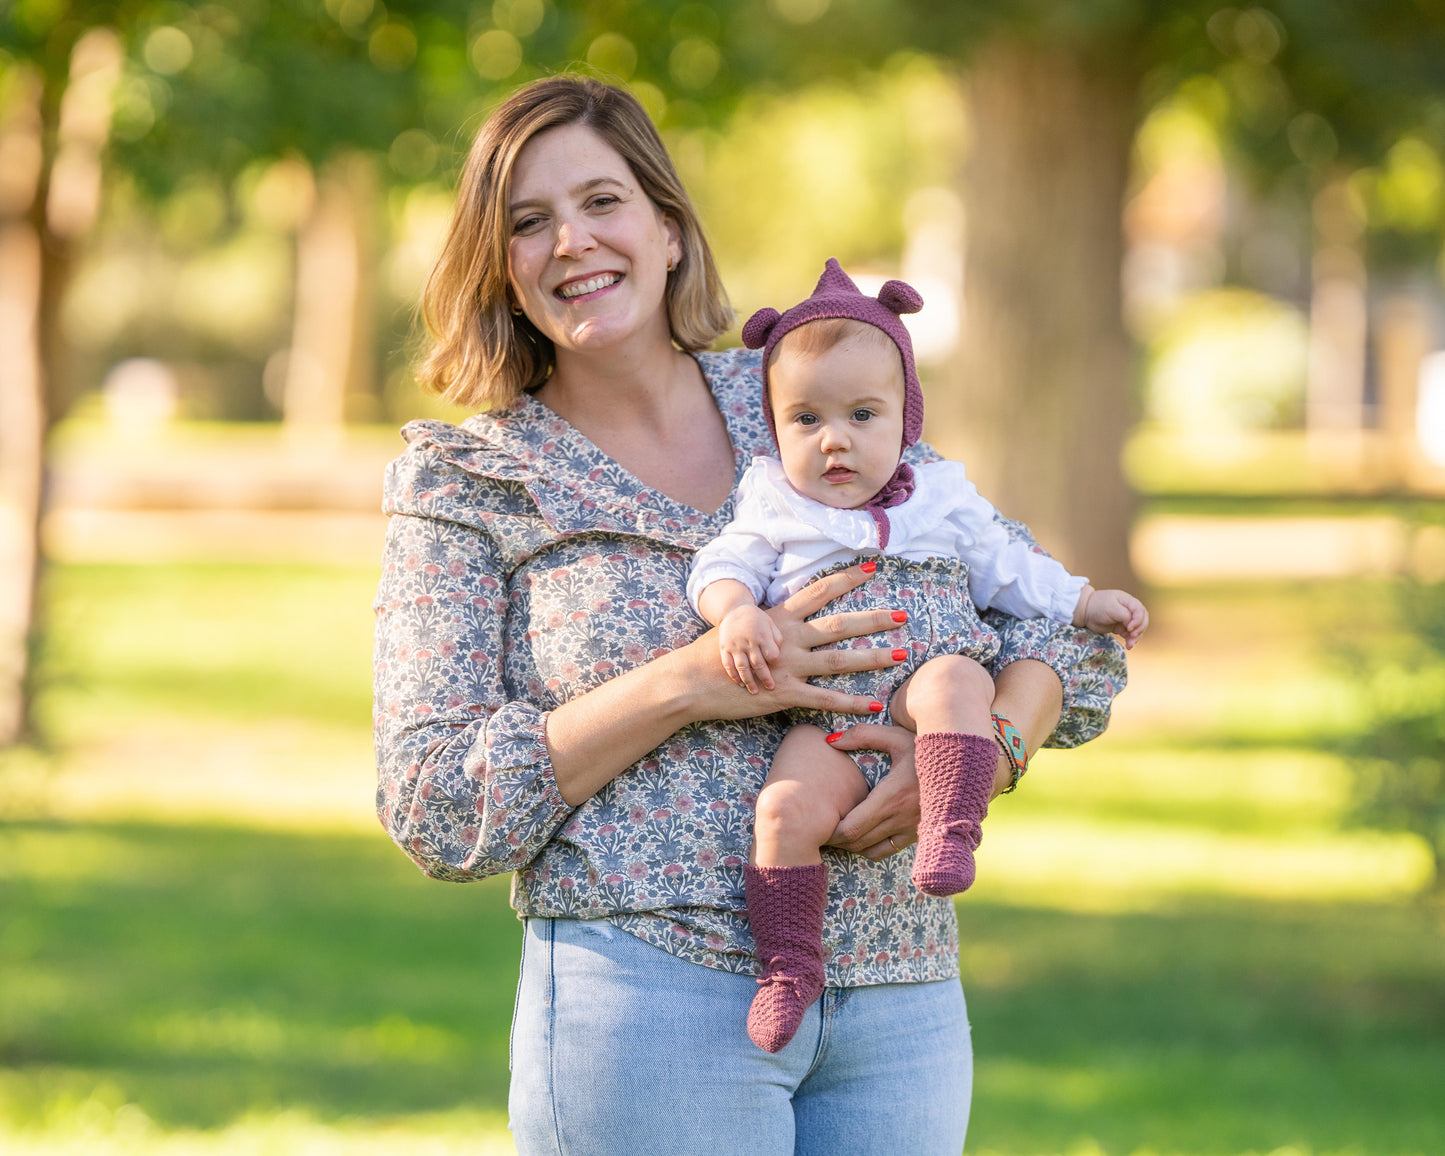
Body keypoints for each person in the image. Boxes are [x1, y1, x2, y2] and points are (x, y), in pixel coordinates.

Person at [373, 74, 1128, 1156]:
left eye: (601, 202)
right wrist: (689, 683)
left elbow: (1057, 625)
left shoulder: (802, 395)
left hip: (899, 992)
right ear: (500, 265)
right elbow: (437, 801)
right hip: (646, 1000)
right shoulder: (471, 480)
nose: (571, 242)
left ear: (668, 228)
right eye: (527, 222)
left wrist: (987, 747)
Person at [686, 259, 1148, 1052]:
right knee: (782, 810)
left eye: (863, 415)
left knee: (953, 682)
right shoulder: (772, 501)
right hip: (830, 710)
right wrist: (732, 615)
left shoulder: (940, 495)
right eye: (805, 420)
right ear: (776, 427)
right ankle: (789, 964)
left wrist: (1081, 602)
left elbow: (1010, 568)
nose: (834, 440)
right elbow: (722, 563)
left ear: (906, 419)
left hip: (924, 679)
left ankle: (951, 827)